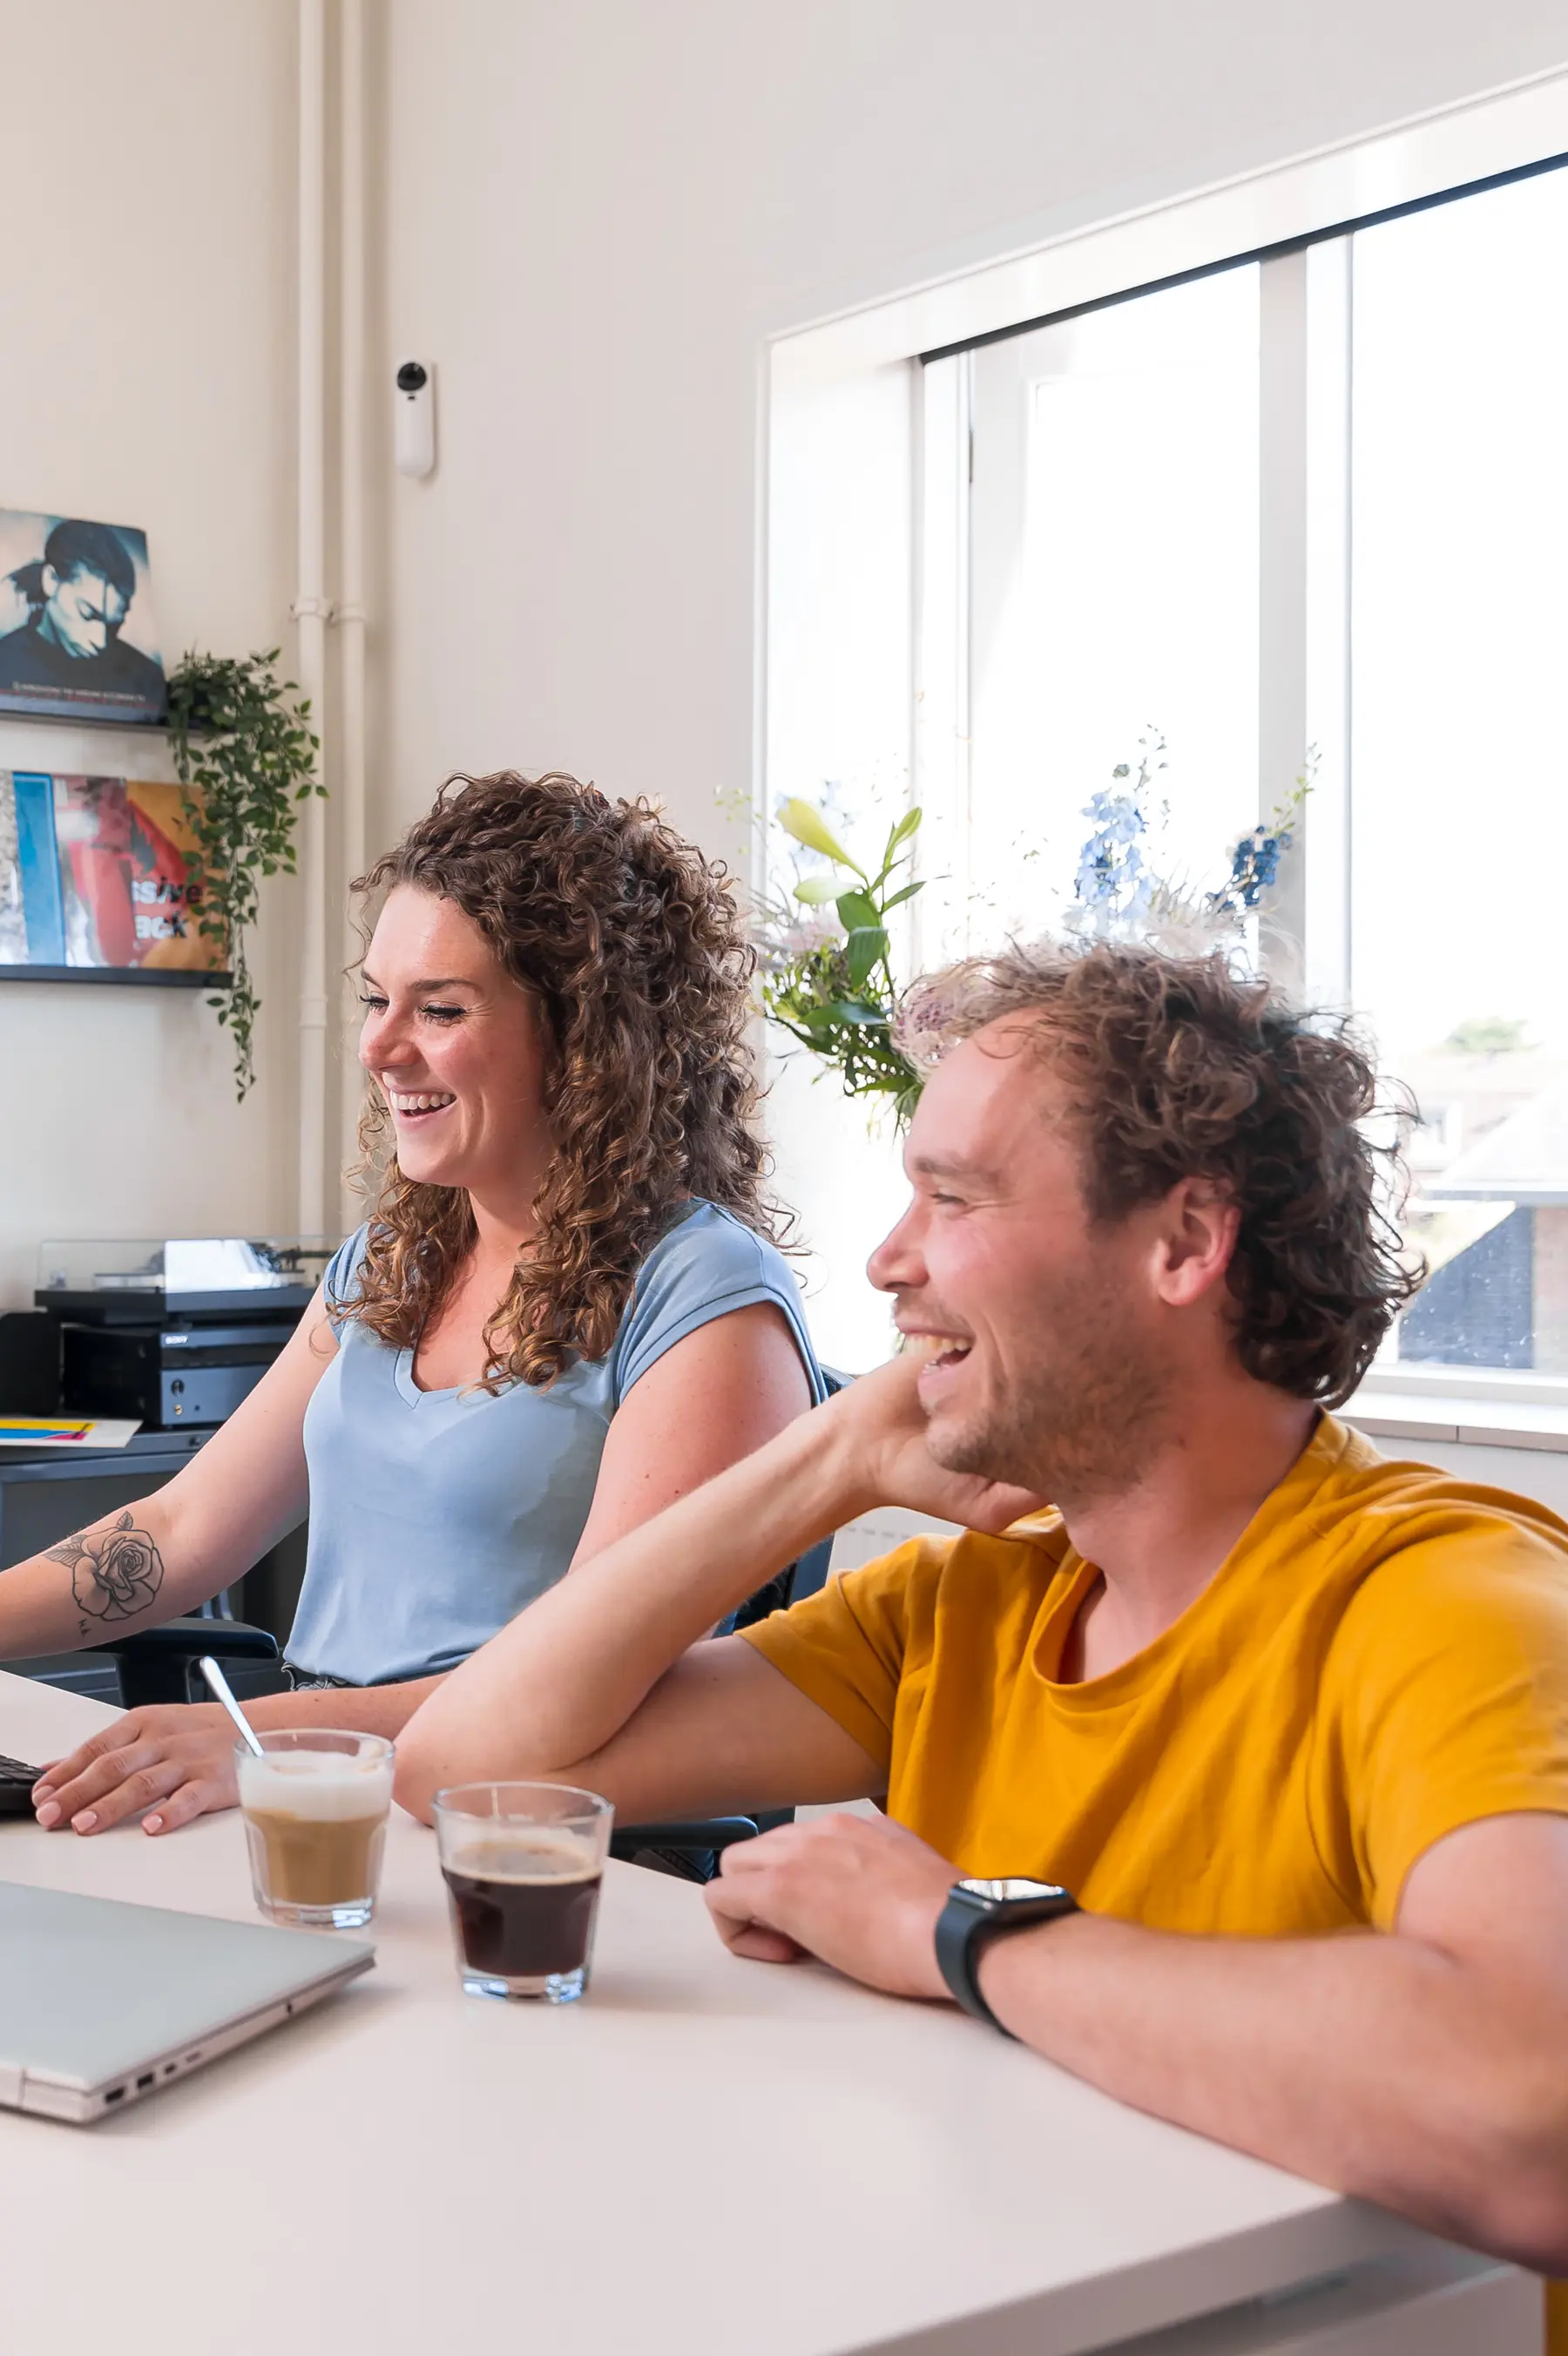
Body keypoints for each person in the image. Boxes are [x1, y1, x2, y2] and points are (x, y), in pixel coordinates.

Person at [395, 941, 1568, 2310]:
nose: (890, 1260)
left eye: (951, 1198)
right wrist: (822, 1459)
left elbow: (1530, 2112)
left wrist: (959, 1935)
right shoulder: (969, 1604)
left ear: (1185, 1242)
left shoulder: (1445, 1602)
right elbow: (463, 1773)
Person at [12, 772, 823, 1834]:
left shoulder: (704, 1300)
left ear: (585, 1042)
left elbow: (585, 1681)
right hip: (325, 1792)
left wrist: (276, 1738)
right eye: (376, 999)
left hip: (535, 1849)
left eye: (440, 1009)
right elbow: (179, 1530)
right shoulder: (392, 1258)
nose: (379, 1047)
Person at [0, 519, 165, 714]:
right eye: (87, 614)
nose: (100, 641)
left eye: (114, 626)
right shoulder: (6, 659)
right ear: (51, 580)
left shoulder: (145, 678)